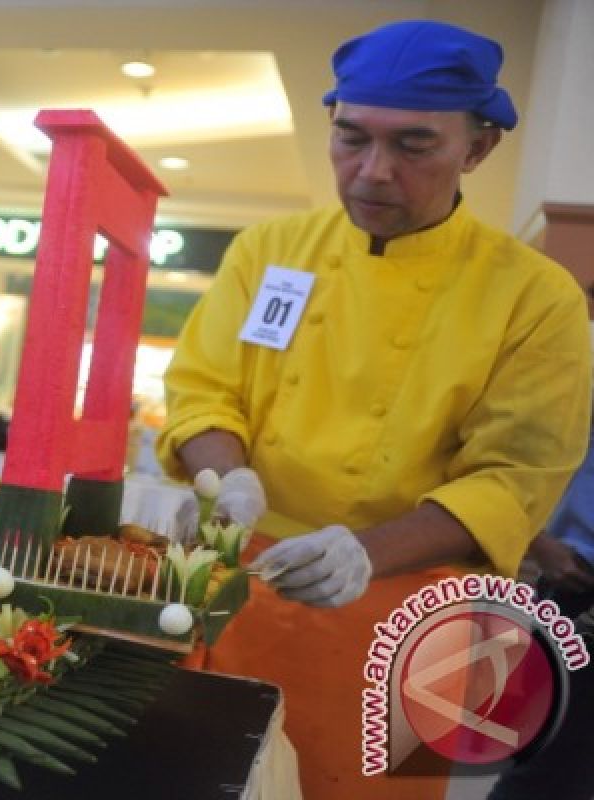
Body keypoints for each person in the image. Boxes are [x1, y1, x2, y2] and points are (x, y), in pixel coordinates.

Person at [157, 20, 591, 800]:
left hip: (405, 625)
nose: (372, 172)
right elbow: (203, 388)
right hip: (233, 590)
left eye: (413, 146)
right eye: (351, 138)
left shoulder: (536, 298)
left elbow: (512, 477)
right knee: (202, 772)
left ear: (478, 148)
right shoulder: (271, 252)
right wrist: (228, 481)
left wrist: (362, 552)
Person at [489, 361, 594, 799]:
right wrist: (537, 541)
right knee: (549, 778)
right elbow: (504, 451)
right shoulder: (579, 355)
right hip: (580, 590)